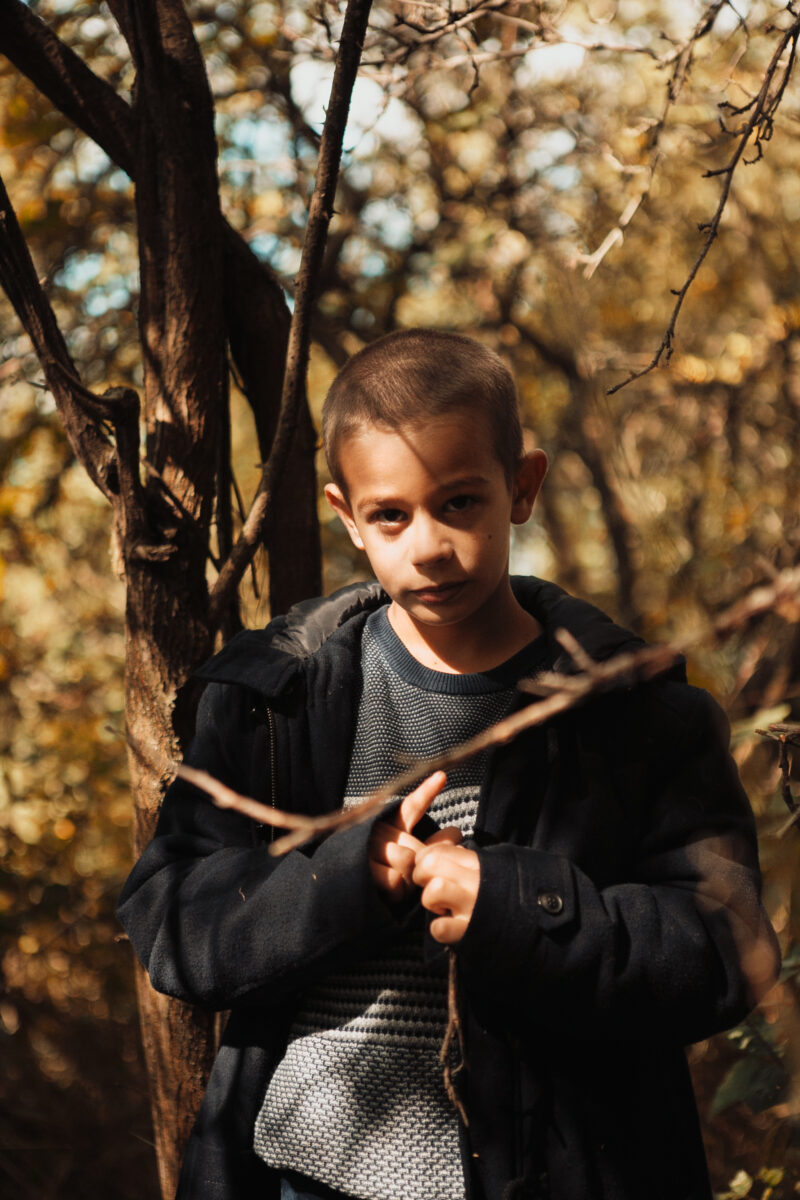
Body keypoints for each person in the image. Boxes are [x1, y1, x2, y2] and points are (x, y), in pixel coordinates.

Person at [118, 328, 779, 1200]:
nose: (426, 546)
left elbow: (722, 958)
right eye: (390, 515)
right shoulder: (270, 704)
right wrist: (344, 878)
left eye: (459, 503)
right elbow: (169, 924)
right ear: (346, 516)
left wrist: (513, 905)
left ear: (523, 487)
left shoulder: (638, 720)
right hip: (298, 1180)